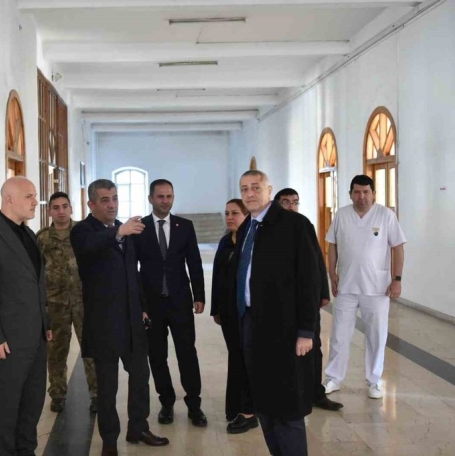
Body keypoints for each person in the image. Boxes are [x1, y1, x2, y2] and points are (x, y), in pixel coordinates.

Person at [70, 179, 169, 456]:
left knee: (140, 377)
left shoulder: (124, 230)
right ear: (91, 204)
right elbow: (89, 247)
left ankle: (138, 428)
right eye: (105, 200)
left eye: (114, 198)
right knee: (107, 387)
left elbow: (132, 273)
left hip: (132, 321)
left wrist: (142, 306)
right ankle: (110, 440)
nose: (112, 204)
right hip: (104, 324)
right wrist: (118, 232)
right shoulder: (82, 231)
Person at [235, 170, 319, 456]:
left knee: (287, 402)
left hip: (285, 327)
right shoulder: (247, 227)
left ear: (269, 190)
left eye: (255, 187)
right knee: (263, 399)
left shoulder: (294, 225)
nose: (249, 193)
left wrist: (306, 330)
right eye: (244, 189)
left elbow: (309, 280)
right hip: (252, 323)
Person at [0, 177, 52, 456]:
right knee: (8, 407)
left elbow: (37, 283)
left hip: (35, 337)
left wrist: (46, 323)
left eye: (35, 196)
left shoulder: (28, 234)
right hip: (7, 341)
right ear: (9, 199)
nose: (35, 202)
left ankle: (26, 451)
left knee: (33, 403)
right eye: (29, 196)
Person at [323, 175, 406, 399]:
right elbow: (332, 246)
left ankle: (374, 381)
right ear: (350, 194)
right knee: (339, 335)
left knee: (376, 336)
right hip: (346, 286)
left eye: (366, 192)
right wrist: (332, 274)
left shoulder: (385, 215)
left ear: (373, 194)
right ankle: (333, 378)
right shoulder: (342, 215)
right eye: (357, 192)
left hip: (377, 288)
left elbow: (398, 248)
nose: (361, 196)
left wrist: (397, 279)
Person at [134, 179, 207, 427]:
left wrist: (199, 295)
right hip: (152, 305)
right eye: (160, 196)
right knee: (157, 356)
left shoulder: (184, 226)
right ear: (150, 199)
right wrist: (140, 305)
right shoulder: (140, 228)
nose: (165, 201)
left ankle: (194, 405)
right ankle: (166, 402)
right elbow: (133, 270)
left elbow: (194, 262)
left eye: (169, 196)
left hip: (180, 302)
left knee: (187, 354)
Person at [274, 188, 343, 412]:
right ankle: (286, 394)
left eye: (295, 202)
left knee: (314, 347)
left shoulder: (304, 224)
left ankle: (315, 393)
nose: (291, 206)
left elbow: (316, 260)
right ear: (276, 204)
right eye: (286, 202)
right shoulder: (270, 228)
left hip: (306, 300)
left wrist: (323, 292)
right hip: (281, 302)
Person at [36, 192, 97, 413]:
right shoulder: (42, 238)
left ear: (71, 208)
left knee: (90, 349)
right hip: (55, 303)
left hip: (84, 300)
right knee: (56, 351)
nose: (61, 211)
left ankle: (97, 394)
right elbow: (37, 272)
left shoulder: (83, 232)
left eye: (64, 206)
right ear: (49, 211)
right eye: (56, 207)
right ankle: (58, 394)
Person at [210, 198, 259, 434]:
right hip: (228, 312)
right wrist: (216, 308)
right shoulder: (225, 241)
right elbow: (217, 276)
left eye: (235, 213)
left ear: (247, 215)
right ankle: (235, 407)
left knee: (247, 358)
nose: (229, 217)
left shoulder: (252, 242)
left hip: (248, 312)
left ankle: (250, 410)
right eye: (227, 213)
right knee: (235, 356)